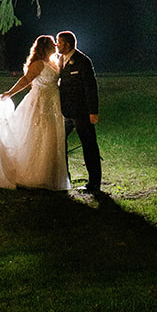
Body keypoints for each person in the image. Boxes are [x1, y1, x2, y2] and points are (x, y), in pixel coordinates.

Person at [0, 34, 70, 190]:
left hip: (53, 103)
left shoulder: (54, 62)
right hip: (39, 103)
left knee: (51, 137)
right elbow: (26, 81)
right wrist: (9, 93)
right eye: (53, 43)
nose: (56, 45)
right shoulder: (38, 64)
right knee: (37, 135)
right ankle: (31, 174)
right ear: (46, 47)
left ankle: (48, 175)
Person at [56, 30, 101, 195]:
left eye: (59, 42)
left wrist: (93, 111)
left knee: (89, 146)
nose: (56, 45)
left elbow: (90, 87)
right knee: (59, 143)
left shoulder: (82, 61)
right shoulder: (60, 60)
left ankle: (94, 183)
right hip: (66, 112)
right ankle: (64, 178)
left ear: (67, 44)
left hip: (81, 112)